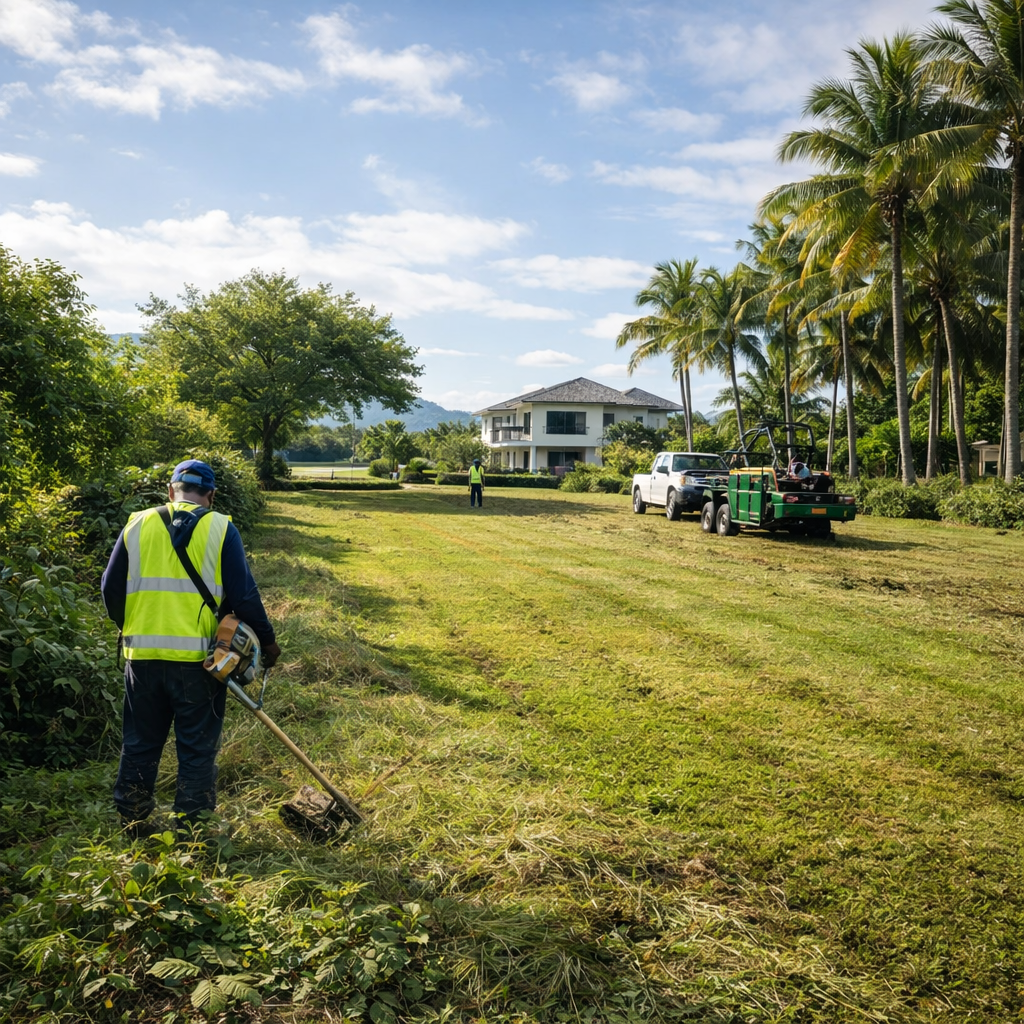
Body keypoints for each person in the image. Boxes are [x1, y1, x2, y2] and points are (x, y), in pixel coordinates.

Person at [101, 459, 281, 838]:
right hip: (200, 663)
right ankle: (192, 833)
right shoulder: (220, 528)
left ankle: (132, 822)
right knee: (197, 748)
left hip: (143, 660)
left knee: (140, 743)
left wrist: (133, 626)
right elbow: (244, 597)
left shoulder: (138, 524)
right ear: (210, 496)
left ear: (171, 491)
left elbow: (109, 589)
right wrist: (268, 642)